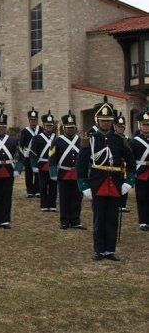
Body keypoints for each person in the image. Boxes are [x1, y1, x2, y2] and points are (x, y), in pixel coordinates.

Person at [76, 96, 136, 261]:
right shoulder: (89, 139)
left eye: (109, 120)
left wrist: (128, 182)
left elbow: (131, 162)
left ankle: (110, 250)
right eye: (103, 120)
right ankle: (99, 250)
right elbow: (81, 165)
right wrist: (84, 185)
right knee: (99, 218)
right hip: (97, 183)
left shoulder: (119, 140)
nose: (106, 123)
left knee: (112, 217)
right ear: (97, 120)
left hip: (115, 184)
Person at [48, 111, 85, 230]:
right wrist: (53, 173)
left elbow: (86, 158)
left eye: (72, 127)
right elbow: (52, 158)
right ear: (64, 128)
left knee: (77, 198)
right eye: (68, 128)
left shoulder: (81, 141)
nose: (70, 130)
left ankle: (75, 220)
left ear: (76, 128)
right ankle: (64, 221)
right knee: (64, 198)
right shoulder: (57, 141)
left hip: (77, 174)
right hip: (63, 173)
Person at [31, 111, 58, 212]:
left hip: (53, 165)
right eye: (47, 125)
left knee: (53, 186)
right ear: (43, 126)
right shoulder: (37, 138)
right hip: (42, 164)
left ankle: (52, 205)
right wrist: (34, 166)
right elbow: (33, 153)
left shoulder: (56, 137)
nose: (49, 127)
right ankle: (44, 205)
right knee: (42, 186)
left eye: (51, 125)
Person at [128, 109, 149, 232]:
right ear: (140, 125)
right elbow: (131, 159)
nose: (146, 126)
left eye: (148, 124)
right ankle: (143, 221)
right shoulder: (134, 142)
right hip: (141, 173)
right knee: (142, 198)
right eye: (144, 124)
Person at [19, 107, 41, 198]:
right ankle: (30, 191)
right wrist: (23, 154)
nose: (33, 121)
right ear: (29, 120)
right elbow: (21, 144)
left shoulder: (41, 130)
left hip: (38, 155)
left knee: (38, 173)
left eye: (35, 120)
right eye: (31, 120)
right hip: (28, 155)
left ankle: (37, 190)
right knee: (29, 174)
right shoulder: (25, 131)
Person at [114, 112, 131, 213]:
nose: (121, 128)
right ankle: (116, 204)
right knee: (116, 184)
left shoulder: (128, 139)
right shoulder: (112, 138)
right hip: (115, 165)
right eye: (119, 127)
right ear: (115, 127)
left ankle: (123, 205)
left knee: (125, 184)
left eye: (122, 127)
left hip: (125, 166)